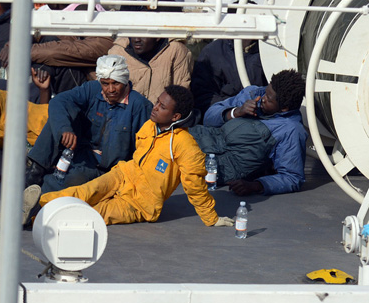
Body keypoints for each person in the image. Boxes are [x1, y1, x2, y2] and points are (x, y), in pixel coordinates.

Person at [22, 85, 233, 228]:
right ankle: (34, 207)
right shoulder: (150, 125)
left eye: (162, 107)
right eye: (158, 102)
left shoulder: (186, 147)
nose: (155, 107)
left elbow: (195, 186)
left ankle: (37, 220)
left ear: (175, 117)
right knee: (84, 191)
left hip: (141, 202)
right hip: (124, 174)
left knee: (97, 212)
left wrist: (211, 218)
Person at [25, 55, 152, 192]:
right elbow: (59, 101)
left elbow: (143, 149)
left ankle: (36, 195)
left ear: (125, 81)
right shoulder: (92, 89)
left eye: (116, 83)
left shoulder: (139, 106)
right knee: (61, 116)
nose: (110, 89)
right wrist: (65, 128)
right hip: (80, 153)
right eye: (105, 83)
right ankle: (34, 173)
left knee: (67, 182)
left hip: (106, 169)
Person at [202, 69, 307, 195]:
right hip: (200, 138)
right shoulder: (254, 93)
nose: (263, 98)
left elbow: (292, 177)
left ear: (284, 108)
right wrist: (236, 112)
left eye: (269, 98)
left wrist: (257, 185)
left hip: (217, 166)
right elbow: (208, 119)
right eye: (266, 92)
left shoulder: (290, 130)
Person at [191, 38, 266, 117]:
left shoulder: (272, 50)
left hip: (262, 117)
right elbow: (203, 96)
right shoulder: (213, 51)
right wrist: (233, 110)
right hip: (224, 119)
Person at [107, 36, 193, 104]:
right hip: (125, 117)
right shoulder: (117, 52)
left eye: (143, 35)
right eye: (133, 33)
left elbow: (179, 95)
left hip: (161, 120)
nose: (136, 39)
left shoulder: (176, 50)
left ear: (157, 36)